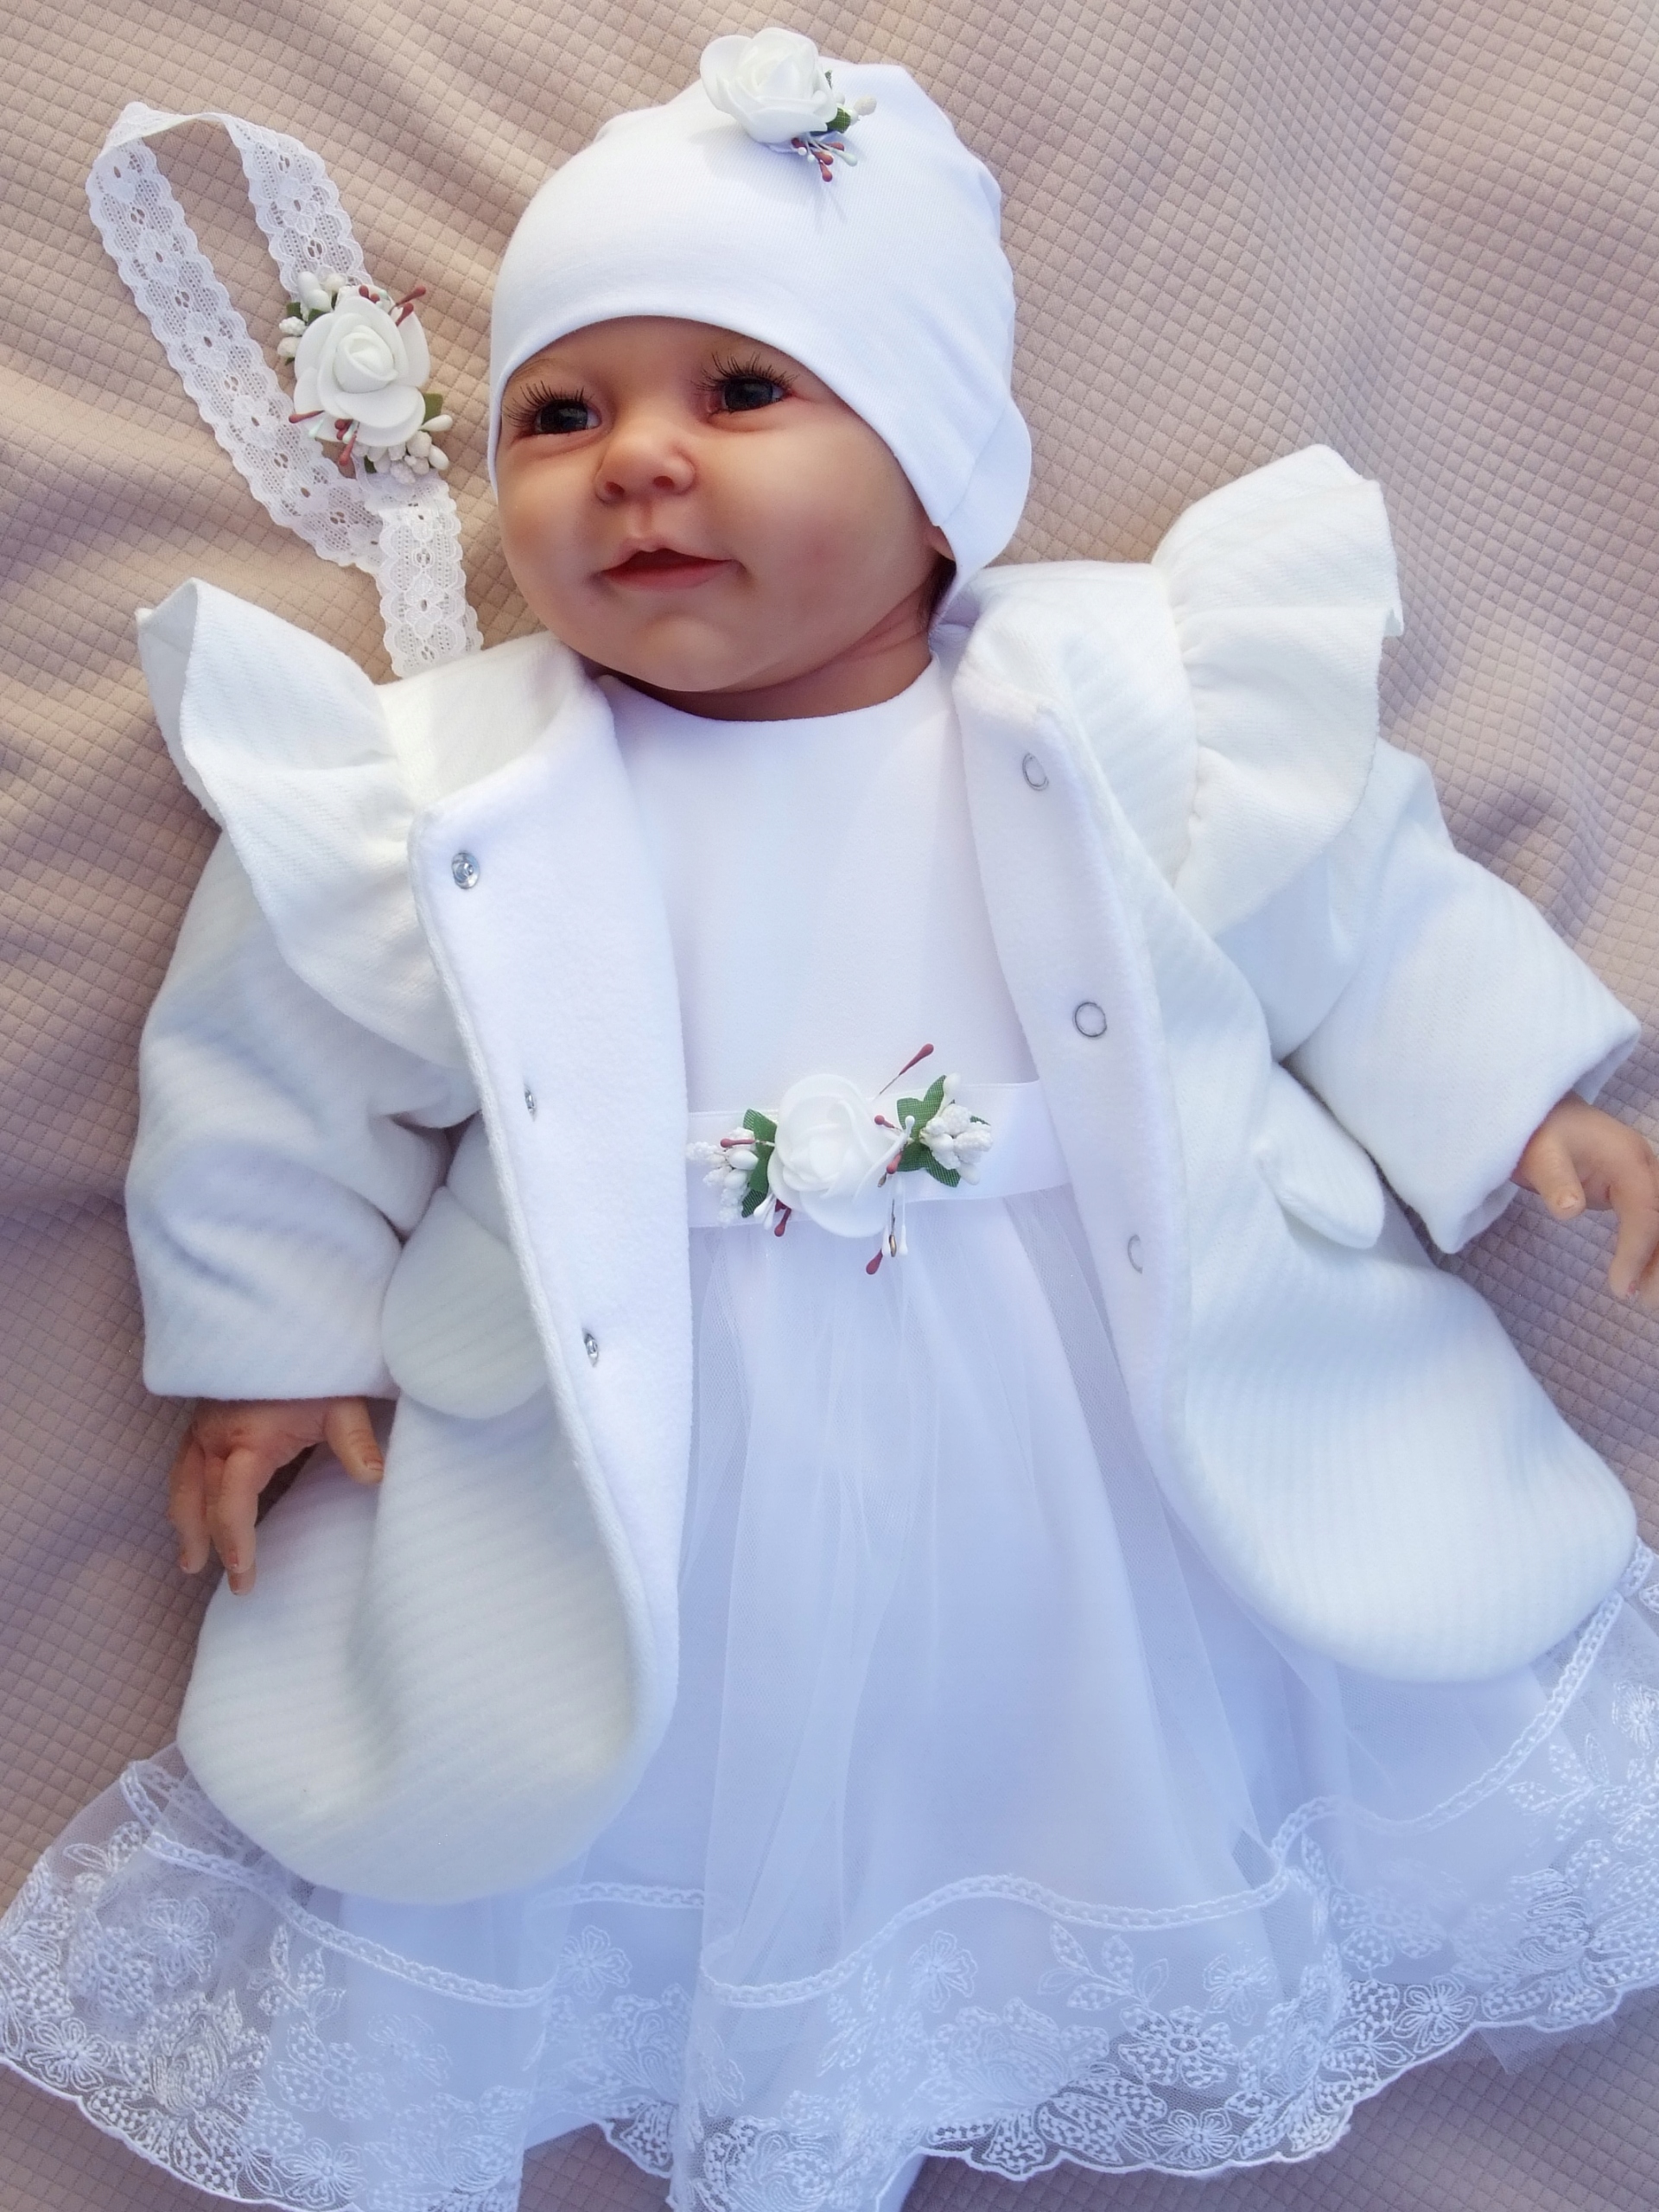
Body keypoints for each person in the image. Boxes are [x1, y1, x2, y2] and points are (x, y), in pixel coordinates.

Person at [4, 29, 1659, 2212]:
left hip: (1108, 1402)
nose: (636, 463)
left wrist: (1511, 1081)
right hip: (665, 1451)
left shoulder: (1121, 697)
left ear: (938, 466)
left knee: (1127, 1721)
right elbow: (274, 1059)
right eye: (559, 417)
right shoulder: (454, 792)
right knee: (671, 1768)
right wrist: (269, 1337)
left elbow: (1335, 888)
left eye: (741, 391)